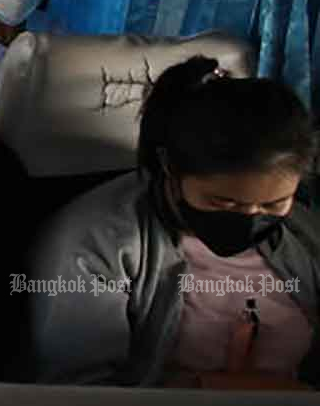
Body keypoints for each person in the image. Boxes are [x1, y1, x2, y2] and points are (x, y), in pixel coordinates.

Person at [30, 56, 319, 389]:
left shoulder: (304, 234)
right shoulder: (95, 245)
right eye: (223, 202)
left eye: (273, 203)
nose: (250, 218)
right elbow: (76, 394)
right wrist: (223, 389)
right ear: (171, 167)